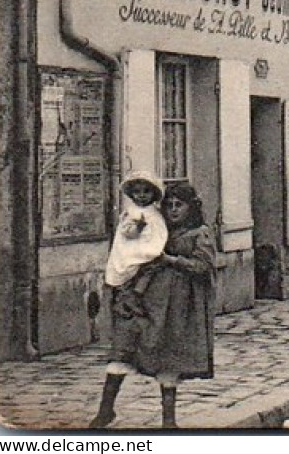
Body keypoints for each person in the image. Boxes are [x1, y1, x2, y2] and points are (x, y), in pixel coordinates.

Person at [89, 181, 216, 430]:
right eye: (169, 205)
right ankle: (105, 411)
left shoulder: (199, 233)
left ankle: (169, 421)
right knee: (122, 350)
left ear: (192, 207)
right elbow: (134, 253)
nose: (173, 210)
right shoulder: (156, 227)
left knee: (168, 359)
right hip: (145, 302)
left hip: (178, 306)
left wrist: (171, 260)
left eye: (179, 205)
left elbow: (204, 266)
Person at [105, 173, 167, 291]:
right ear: (132, 194)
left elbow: (159, 229)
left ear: (154, 193)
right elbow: (126, 231)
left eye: (146, 191)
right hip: (133, 246)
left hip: (150, 242)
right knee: (133, 264)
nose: (142, 195)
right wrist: (138, 227)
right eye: (137, 192)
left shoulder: (155, 212)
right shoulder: (132, 211)